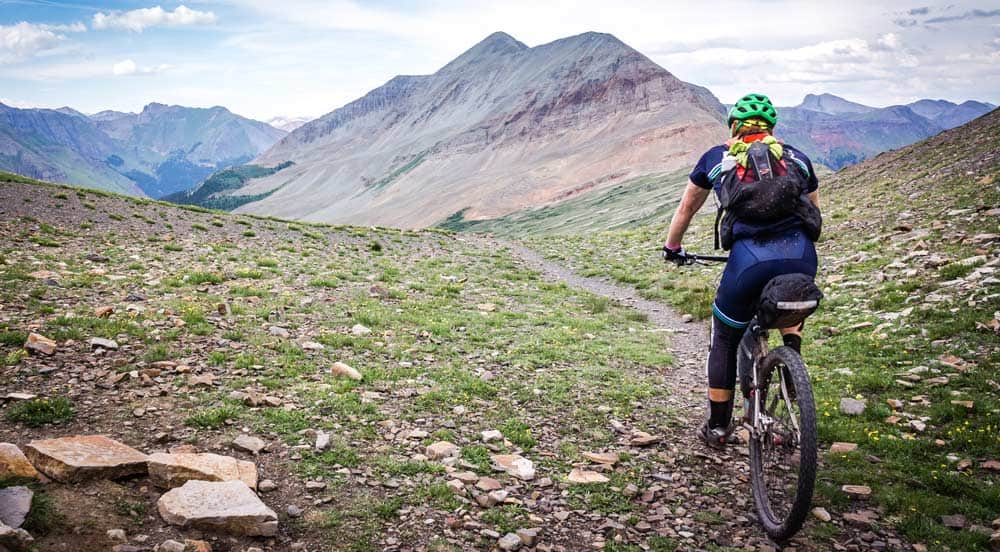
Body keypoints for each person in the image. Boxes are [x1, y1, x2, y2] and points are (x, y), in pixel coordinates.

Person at [661, 93, 821, 447]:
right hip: (800, 255)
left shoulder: (716, 158)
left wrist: (673, 248)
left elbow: (687, 209)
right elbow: (813, 214)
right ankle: (791, 366)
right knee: (789, 298)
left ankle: (718, 428)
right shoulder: (797, 158)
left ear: (734, 125)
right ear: (772, 128)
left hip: (748, 260)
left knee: (725, 336)